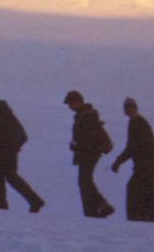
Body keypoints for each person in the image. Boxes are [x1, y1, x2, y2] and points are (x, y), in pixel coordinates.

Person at [0, 80, 45, 213]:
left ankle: (3, 208)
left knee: (1, 176)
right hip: (5, 148)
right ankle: (31, 201)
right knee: (6, 176)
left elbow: (2, 132)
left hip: (5, 150)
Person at [111, 97, 154, 222]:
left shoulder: (137, 123)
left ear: (135, 108)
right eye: (127, 108)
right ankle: (152, 219)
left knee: (133, 188)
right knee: (148, 192)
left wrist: (118, 161)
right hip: (146, 165)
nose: (129, 110)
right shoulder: (137, 122)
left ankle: (137, 218)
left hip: (145, 165)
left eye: (130, 107)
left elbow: (132, 147)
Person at [64, 90, 115, 218]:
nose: (69, 107)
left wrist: (77, 146)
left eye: (71, 103)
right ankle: (93, 211)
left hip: (89, 153)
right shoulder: (84, 115)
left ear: (78, 102)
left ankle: (100, 207)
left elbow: (88, 138)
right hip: (88, 153)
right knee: (84, 181)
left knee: (84, 181)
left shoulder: (86, 116)